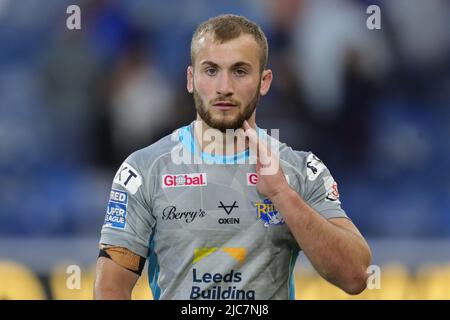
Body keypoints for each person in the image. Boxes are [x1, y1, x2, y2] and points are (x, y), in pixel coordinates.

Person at [94, 14, 372, 300]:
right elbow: (111, 288)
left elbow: (355, 276)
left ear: (264, 82)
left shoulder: (299, 169)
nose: (224, 87)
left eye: (239, 71)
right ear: (191, 79)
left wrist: (282, 194)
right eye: (211, 70)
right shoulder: (144, 170)